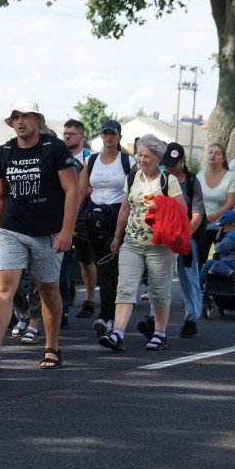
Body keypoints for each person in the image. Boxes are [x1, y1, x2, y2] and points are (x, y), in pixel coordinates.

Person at [0, 99, 78, 374]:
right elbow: (0, 195)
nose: (20, 121)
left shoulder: (54, 148)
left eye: (26, 116)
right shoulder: (4, 152)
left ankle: (52, 347)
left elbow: (72, 190)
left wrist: (66, 230)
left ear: (37, 119)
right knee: (4, 288)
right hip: (12, 231)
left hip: (48, 233)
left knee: (48, 289)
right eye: (16, 116)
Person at [98, 134, 186, 352]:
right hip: (132, 241)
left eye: (147, 156)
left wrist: (159, 206)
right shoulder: (132, 177)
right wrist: (117, 237)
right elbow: (125, 209)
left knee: (158, 291)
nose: (142, 159)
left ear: (158, 157)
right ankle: (118, 333)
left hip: (160, 244)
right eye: (139, 154)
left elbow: (182, 211)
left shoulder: (168, 181)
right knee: (125, 287)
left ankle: (160, 333)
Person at [78, 119, 136, 338]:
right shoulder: (91, 161)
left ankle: (107, 317)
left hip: (117, 217)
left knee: (107, 268)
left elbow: (135, 190)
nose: (109, 137)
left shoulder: (127, 161)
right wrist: (71, 223)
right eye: (105, 133)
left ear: (119, 137)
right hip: (94, 218)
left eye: (113, 134)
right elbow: (81, 192)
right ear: (101, 136)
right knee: (100, 266)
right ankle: (110, 314)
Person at [160, 142, 205, 338]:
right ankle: (155, 319)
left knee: (189, 278)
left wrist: (185, 236)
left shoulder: (193, 182)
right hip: (166, 237)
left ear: (183, 160)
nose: (169, 167)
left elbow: (197, 214)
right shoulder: (161, 180)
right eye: (166, 163)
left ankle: (191, 319)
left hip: (188, 237)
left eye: (173, 163)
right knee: (161, 278)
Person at [62, 119, 97, 320]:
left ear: (82, 137)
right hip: (62, 215)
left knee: (86, 260)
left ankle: (90, 299)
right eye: (65, 133)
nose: (66, 137)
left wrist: (89, 189)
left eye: (71, 134)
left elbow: (98, 187)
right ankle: (65, 297)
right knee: (61, 259)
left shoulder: (90, 159)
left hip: (83, 215)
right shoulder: (59, 157)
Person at [198, 143, 235, 266]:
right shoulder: (198, 178)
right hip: (202, 227)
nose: (213, 155)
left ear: (223, 159)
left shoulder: (230, 177)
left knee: (222, 262)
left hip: (223, 227)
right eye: (210, 152)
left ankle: (218, 285)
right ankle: (199, 285)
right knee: (200, 262)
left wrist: (215, 216)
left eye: (217, 153)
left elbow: (231, 202)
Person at [199, 209, 235, 290]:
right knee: (208, 263)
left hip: (230, 263)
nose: (224, 230)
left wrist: (217, 244)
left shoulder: (231, 237)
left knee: (214, 266)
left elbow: (220, 249)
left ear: (233, 224)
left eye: (224, 227)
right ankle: (200, 283)